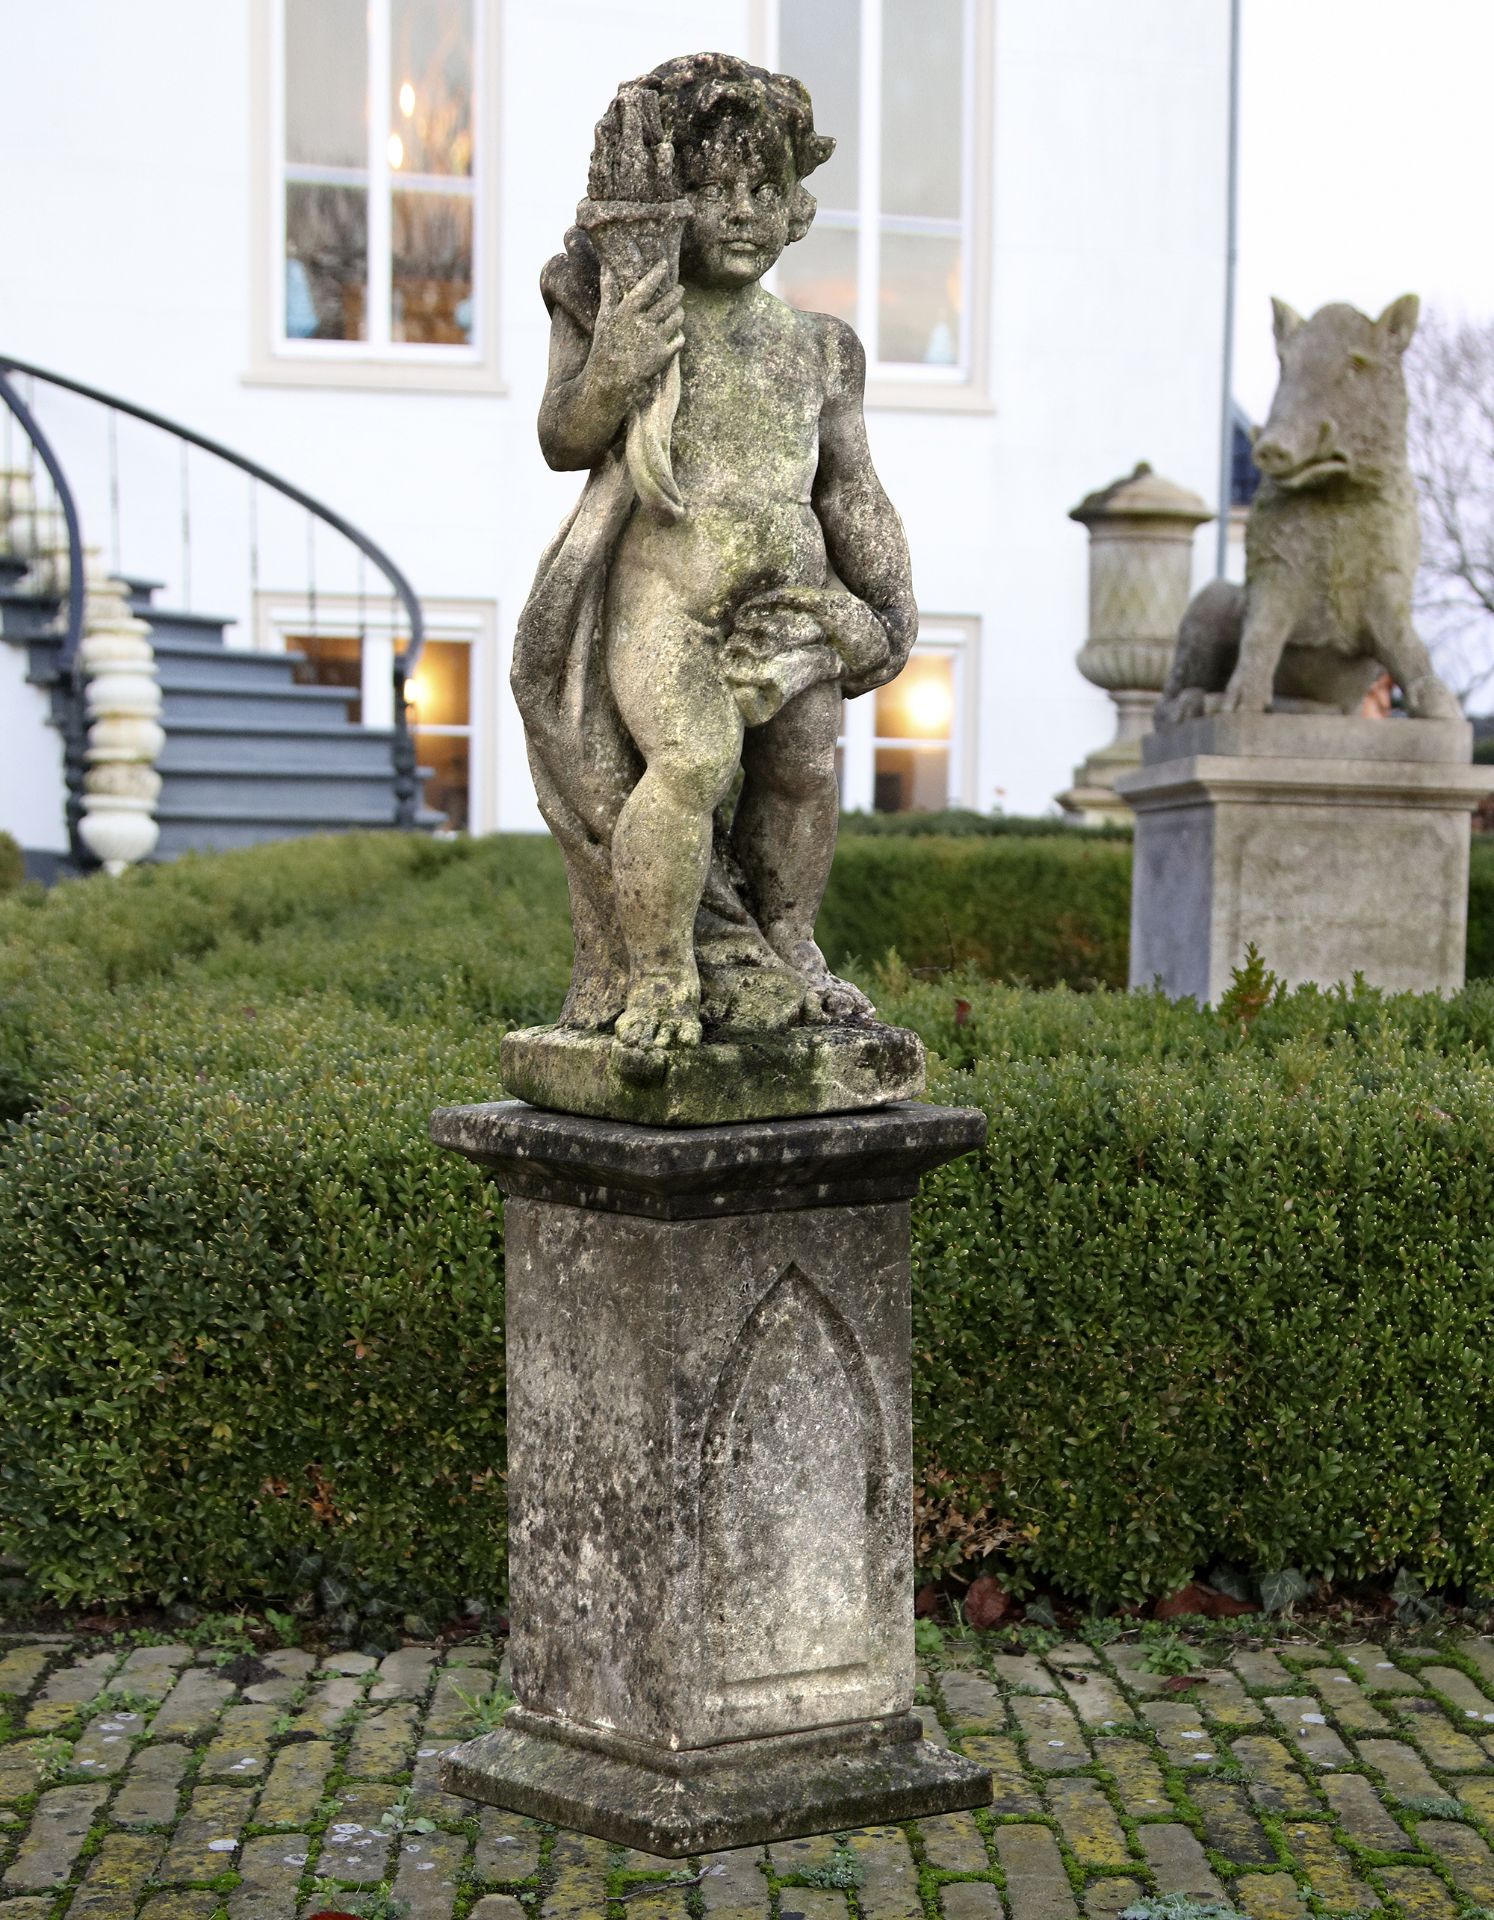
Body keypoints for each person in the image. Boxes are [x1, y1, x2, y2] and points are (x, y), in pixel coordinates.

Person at [516, 54, 917, 1049]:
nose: (739, 212)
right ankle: (658, 978)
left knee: (806, 769)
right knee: (691, 760)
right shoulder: (621, 301)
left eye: (762, 189)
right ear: (670, 194)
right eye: (712, 188)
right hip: (666, 596)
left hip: (789, 601)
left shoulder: (821, 349)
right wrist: (612, 371)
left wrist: (883, 612)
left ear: (796, 208)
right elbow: (565, 438)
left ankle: (788, 945)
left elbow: (852, 489)